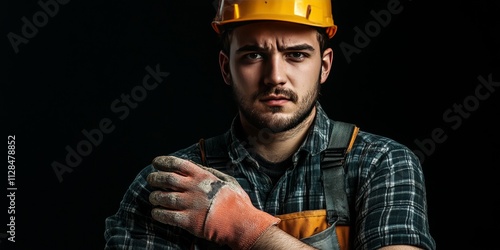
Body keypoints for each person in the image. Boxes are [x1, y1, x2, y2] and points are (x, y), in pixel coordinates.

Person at [104, 0, 436, 249]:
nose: (275, 76)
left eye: (296, 55)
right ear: (225, 67)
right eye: (253, 55)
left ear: (324, 65)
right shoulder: (172, 188)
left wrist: (244, 227)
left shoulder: (381, 163)